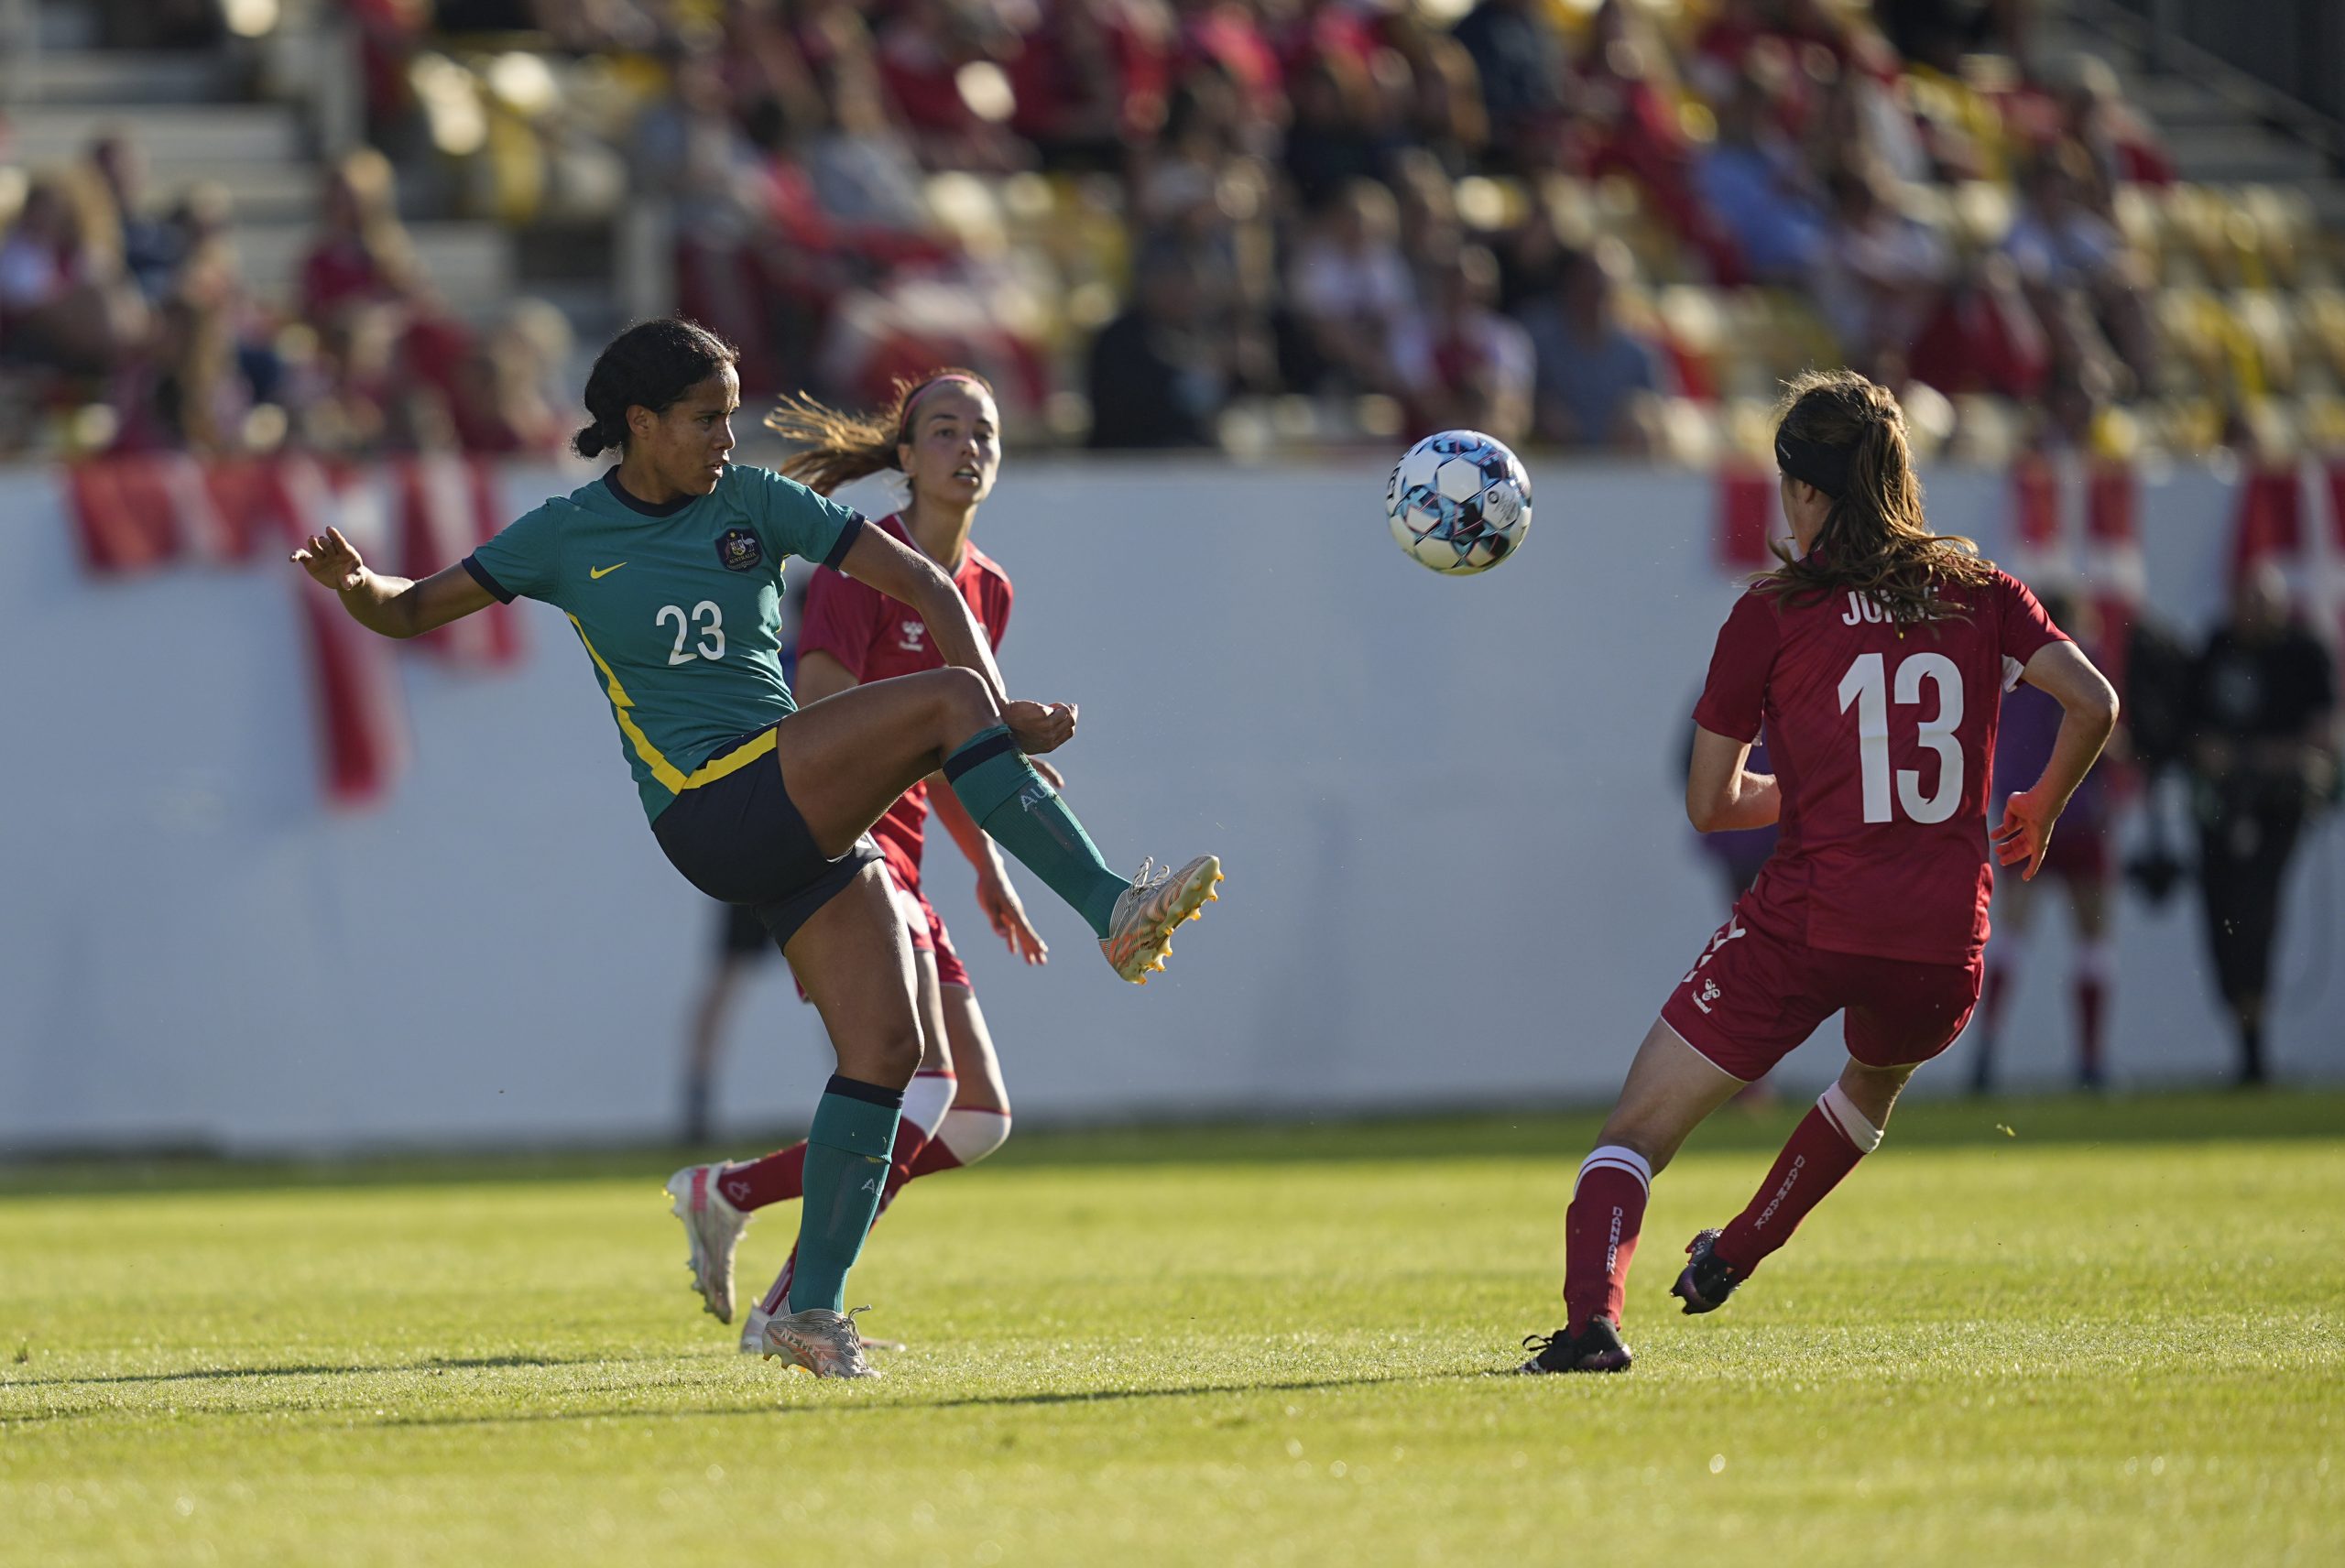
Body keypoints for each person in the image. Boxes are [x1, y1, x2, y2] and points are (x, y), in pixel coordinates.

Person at [291, 318, 1222, 1379]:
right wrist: (352, 583)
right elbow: (412, 611)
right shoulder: (564, 532)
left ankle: (807, 1313)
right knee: (956, 702)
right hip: (711, 803)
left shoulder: (754, 502)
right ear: (639, 425)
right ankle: (1110, 906)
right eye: (705, 418)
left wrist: (989, 718)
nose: (728, 438)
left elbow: (922, 583)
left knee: (888, 1053)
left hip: (794, 812)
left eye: (733, 415)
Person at [1518, 369, 2118, 1374]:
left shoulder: (1772, 613)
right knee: (1867, 1090)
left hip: (1808, 918)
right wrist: (2040, 803)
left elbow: (1712, 802)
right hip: (1939, 938)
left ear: (1804, 490)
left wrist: (1815, 791)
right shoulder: (1981, 591)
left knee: (1635, 1131)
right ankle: (1736, 1251)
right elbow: (2092, 701)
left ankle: (1588, 1325)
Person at [672, 369, 1044, 1353]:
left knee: (975, 1118)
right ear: (905, 453)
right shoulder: (860, 566)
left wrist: (988, 866)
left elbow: (964, 756)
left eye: (986, 433)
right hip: (852, 850)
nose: (968, 448)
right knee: (917, 1086)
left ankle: (732, 1191)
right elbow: (822, 717)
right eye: (945, 429)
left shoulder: (987, 587)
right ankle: (794, 1308)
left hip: (919, 859)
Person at [2186, 562, 2338, 1086]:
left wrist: (2252, 758)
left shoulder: (2303, 653)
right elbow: (2194, 735)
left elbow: (2322, 738)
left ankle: (2254, 1049)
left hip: (2279, 808)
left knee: (2258, 915)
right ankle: (2246, 1038)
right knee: (2222, 919)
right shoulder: (2217, 648)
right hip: (2220, 809)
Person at [1969, 590, 2121, 1093]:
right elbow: (2106, 724)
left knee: (2011, 932)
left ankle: (1986, 1052)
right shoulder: (2085, 663)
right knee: (2091, 937)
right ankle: (2090, 1060)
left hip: (2022, 803)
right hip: (2077, 811)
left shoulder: (2008, 666)